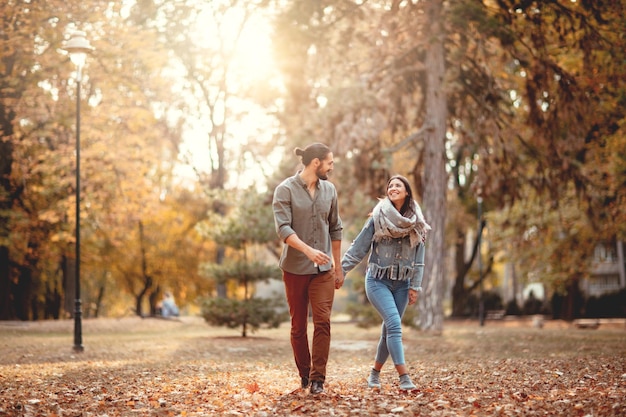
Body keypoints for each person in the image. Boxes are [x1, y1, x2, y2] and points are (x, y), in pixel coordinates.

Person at [341, 175, 430, 391]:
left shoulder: (417, 223)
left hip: (402, 284)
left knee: (388, 330)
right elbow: (359, 247)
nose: (393, 188)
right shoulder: (378, 217)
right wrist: (341, 270)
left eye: (398, 185)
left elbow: (419, 260)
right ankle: (404, 377)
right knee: (394, 325)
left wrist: (414, 287)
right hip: (377, 281)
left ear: (407, 192)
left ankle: (374, 374)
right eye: (390, 185)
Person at [272, 143, 344, 395]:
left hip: (323, 271)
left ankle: (317, 379)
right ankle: (304, 374)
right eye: (329, 163)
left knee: (323, 321)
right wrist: (308, 251)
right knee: (298, 327)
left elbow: (336, 228)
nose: (331, 167)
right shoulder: (285, 190)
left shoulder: (330, 191)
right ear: (316, 163)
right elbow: (284, 229)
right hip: (294, 269)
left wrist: (338, 266)